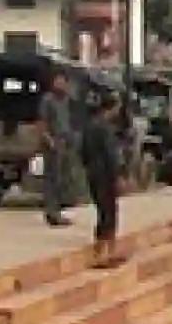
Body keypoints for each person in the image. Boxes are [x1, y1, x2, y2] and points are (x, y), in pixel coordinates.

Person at [81, 93, 125, 270]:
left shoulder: (89, 126)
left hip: (93, 172)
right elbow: (111, 155)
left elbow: (82, 151)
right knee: (109, 212)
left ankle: (103, 252)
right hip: (105, 174)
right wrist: (119, 175)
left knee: (102, 211)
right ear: (112, 107)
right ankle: (105, 253)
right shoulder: (105, 128)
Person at [39, 70, 78, 227]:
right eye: (57, 81)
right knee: (52, 179)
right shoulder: (48, 100)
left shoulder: (67, 100)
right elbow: (42, 123)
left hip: (66, 142)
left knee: (63, 179)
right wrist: (49, 140)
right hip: (53, 143)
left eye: (63, 81)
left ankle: (58, 210)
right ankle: (51, 212)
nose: (60, 84)